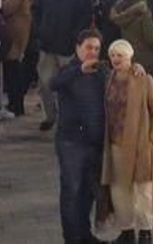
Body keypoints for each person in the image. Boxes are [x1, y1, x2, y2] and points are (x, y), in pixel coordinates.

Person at [100, 38, 153, 244]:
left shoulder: (144, 79)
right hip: (114, 144)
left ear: (129, 57)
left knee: (143, 189)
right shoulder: (108, 78)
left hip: (139, 145)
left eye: (120, 55)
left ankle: (145, 230)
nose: (116, 59)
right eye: (112, 55)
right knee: (119, 190)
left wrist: (152, 138)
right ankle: (126, 230)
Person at [51, 30, 107, 243]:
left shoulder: (101, 72)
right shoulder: (70, 69)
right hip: (71, 142)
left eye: (96, 48)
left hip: (94, 141)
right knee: (71, 191)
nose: (92, 52)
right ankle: (72, 238)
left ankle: (84, 234)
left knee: (88, 192)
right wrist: (78, 71)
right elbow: (53, 83)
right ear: (78, 48)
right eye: (88, 47)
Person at [34, 0, 95, 132]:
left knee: (69, 85)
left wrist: (77, 40)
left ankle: (68, 118)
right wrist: (40, 30)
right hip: (47, 44)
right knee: (45, 83)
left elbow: (86, 17)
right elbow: (36, 9)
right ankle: (49, 116)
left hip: (70, 46)